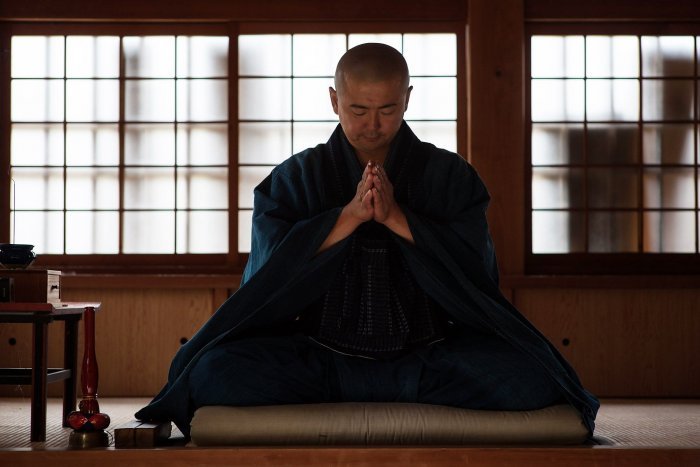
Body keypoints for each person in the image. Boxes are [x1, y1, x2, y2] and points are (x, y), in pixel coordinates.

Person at [136, 43, 599, 438]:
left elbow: (477, 278)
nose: (372, 124)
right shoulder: (297, 178)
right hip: (318, 358)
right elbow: (265, 278)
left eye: (387, 109)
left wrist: (399, 218)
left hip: (428, 359)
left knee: (535, 376)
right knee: (211, 372)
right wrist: (346, 219)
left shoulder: (450, 177)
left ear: (408, 99)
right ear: (335, 100)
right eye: (358, 109)